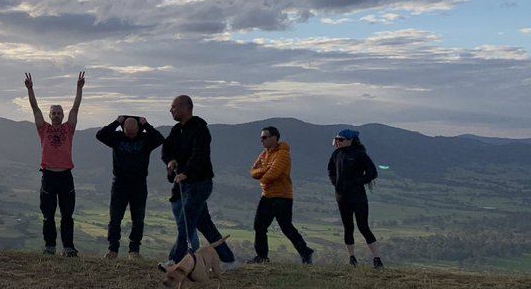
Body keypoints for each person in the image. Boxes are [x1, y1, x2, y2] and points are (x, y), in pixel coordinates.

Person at [161, 95, 237, 268]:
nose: (170, 110)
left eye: (173, 106)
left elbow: (200, 154)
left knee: (186, 222)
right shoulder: (176, 130)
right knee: (205, 224)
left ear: (185, 107)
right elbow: (166, 149)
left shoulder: (200, 128)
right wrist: (170, 161)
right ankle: (228, 259)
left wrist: (186, 173)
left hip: (199, 183)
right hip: (185, 184)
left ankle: (175, 260)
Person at [25, 71, 85, 256]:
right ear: (50, 115)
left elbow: (75, 109)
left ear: (62, 115)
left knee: (67, 216)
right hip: (48, 176)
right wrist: (30, 89)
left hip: (66, 176)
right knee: (48, 215)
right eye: (54, 113)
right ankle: (49, 247)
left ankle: (68, 248)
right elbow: (35, 109)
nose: (57, 115)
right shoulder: (43, 129)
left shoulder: (69, 128)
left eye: (59, 113)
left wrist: (79, 88)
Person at [96, 115, 165, 259]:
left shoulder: (146, 139)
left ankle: (134, 251)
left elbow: (159, 138)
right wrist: (116, 122)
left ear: (139, 129)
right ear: (123, 129)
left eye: (134, 132)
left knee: (138, 219)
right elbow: (100, 135)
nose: (131, 135)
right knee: (115, 218)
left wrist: (146, 125)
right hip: (119, 183)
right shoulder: (117, 138)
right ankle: (112, 250)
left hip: (139, 184)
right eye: (128, 133)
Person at [249, 126, 313, 264]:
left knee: (286, 227)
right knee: (259, 225)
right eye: (261, 138)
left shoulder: (283, 154)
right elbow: (253, 172)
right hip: (267, 195)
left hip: (282, 197)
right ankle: (262, 256)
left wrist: (263, 178)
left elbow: (274, 173)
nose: (262, 140)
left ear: (274, 138)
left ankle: (305, 251)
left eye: (265, 137)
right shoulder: (264, 154)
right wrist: (265, 169)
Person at [328, 128, 383, 268]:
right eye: (336, 140)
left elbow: (372, 172)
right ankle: (352, 258)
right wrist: (336, 182)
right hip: (341, 196)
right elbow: (331, 170)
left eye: (340, 140)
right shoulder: (336, 154)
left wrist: (359, 182)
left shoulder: (360, 154)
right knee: (348, 227)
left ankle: (377, 259)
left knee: (363, 226)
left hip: (358, 196)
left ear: (350, 140)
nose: (337, 142)